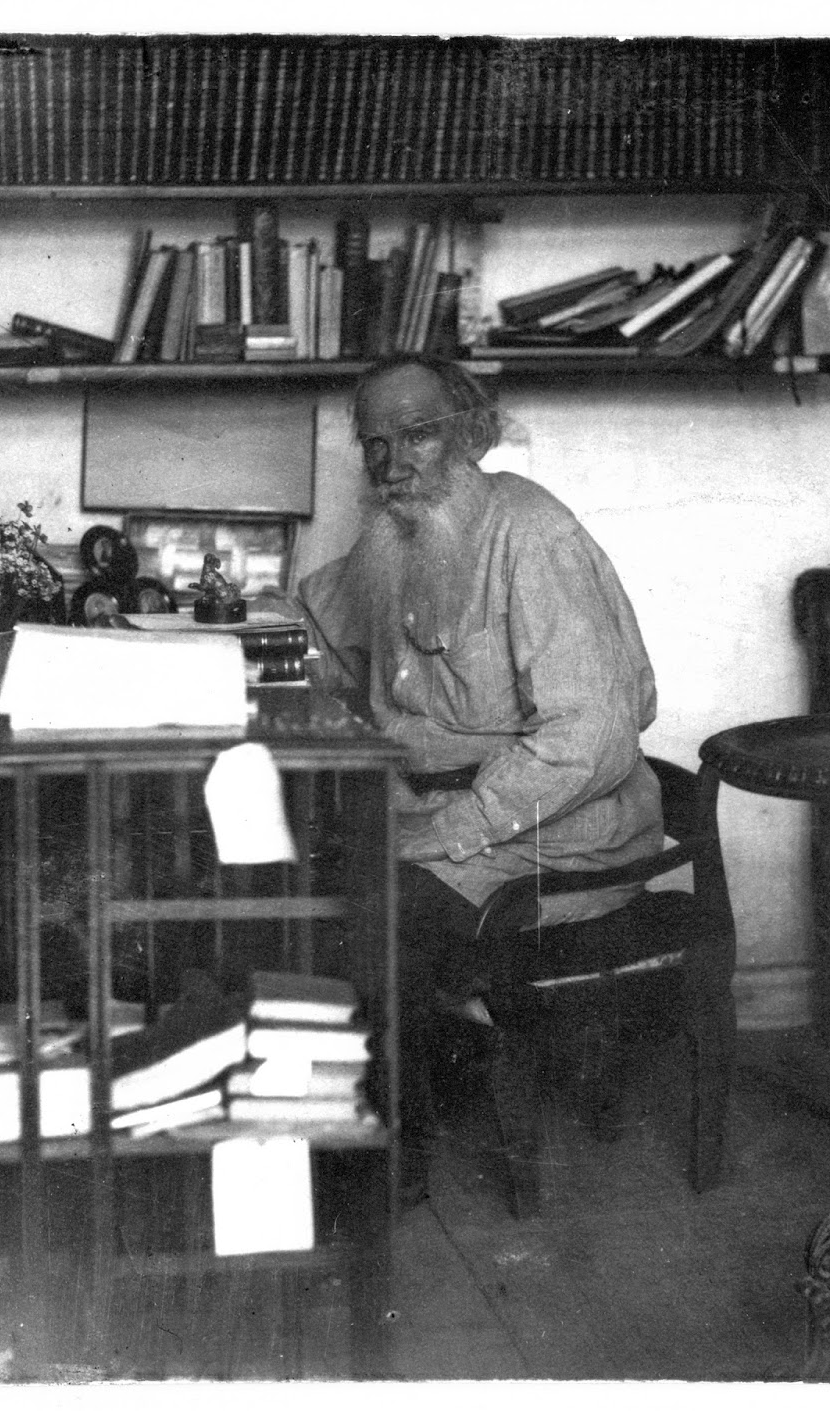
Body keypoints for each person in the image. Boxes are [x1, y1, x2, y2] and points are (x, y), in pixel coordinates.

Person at [292, 354, 663, 1200]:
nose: (393, 464)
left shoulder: (531, 532)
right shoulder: (400, 534)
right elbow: (317, 617)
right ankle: (351, 1121)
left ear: (467, 434)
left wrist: (452, 829)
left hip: (553, 831)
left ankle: (388, 1167)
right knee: (295, 881)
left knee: (372, 917)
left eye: (417, 435)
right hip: (443, 812)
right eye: (375, 443)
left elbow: (593, 735)